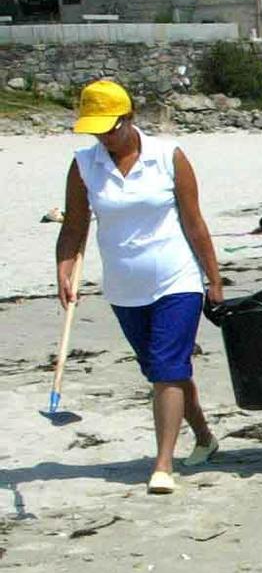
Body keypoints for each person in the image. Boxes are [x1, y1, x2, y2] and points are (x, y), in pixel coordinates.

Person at [54, 79, 225, 495]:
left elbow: (194, 222)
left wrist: (213, 279)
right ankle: (204, 435)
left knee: (167, 366)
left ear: (129, 118)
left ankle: (162, 464)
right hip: (123, 286)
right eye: (96, 129)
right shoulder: (83, 165)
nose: (104, 137)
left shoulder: (169, 157)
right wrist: (63, 265)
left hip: (176, 278)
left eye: (110, 127)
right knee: (162, 368)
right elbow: (75, 225)